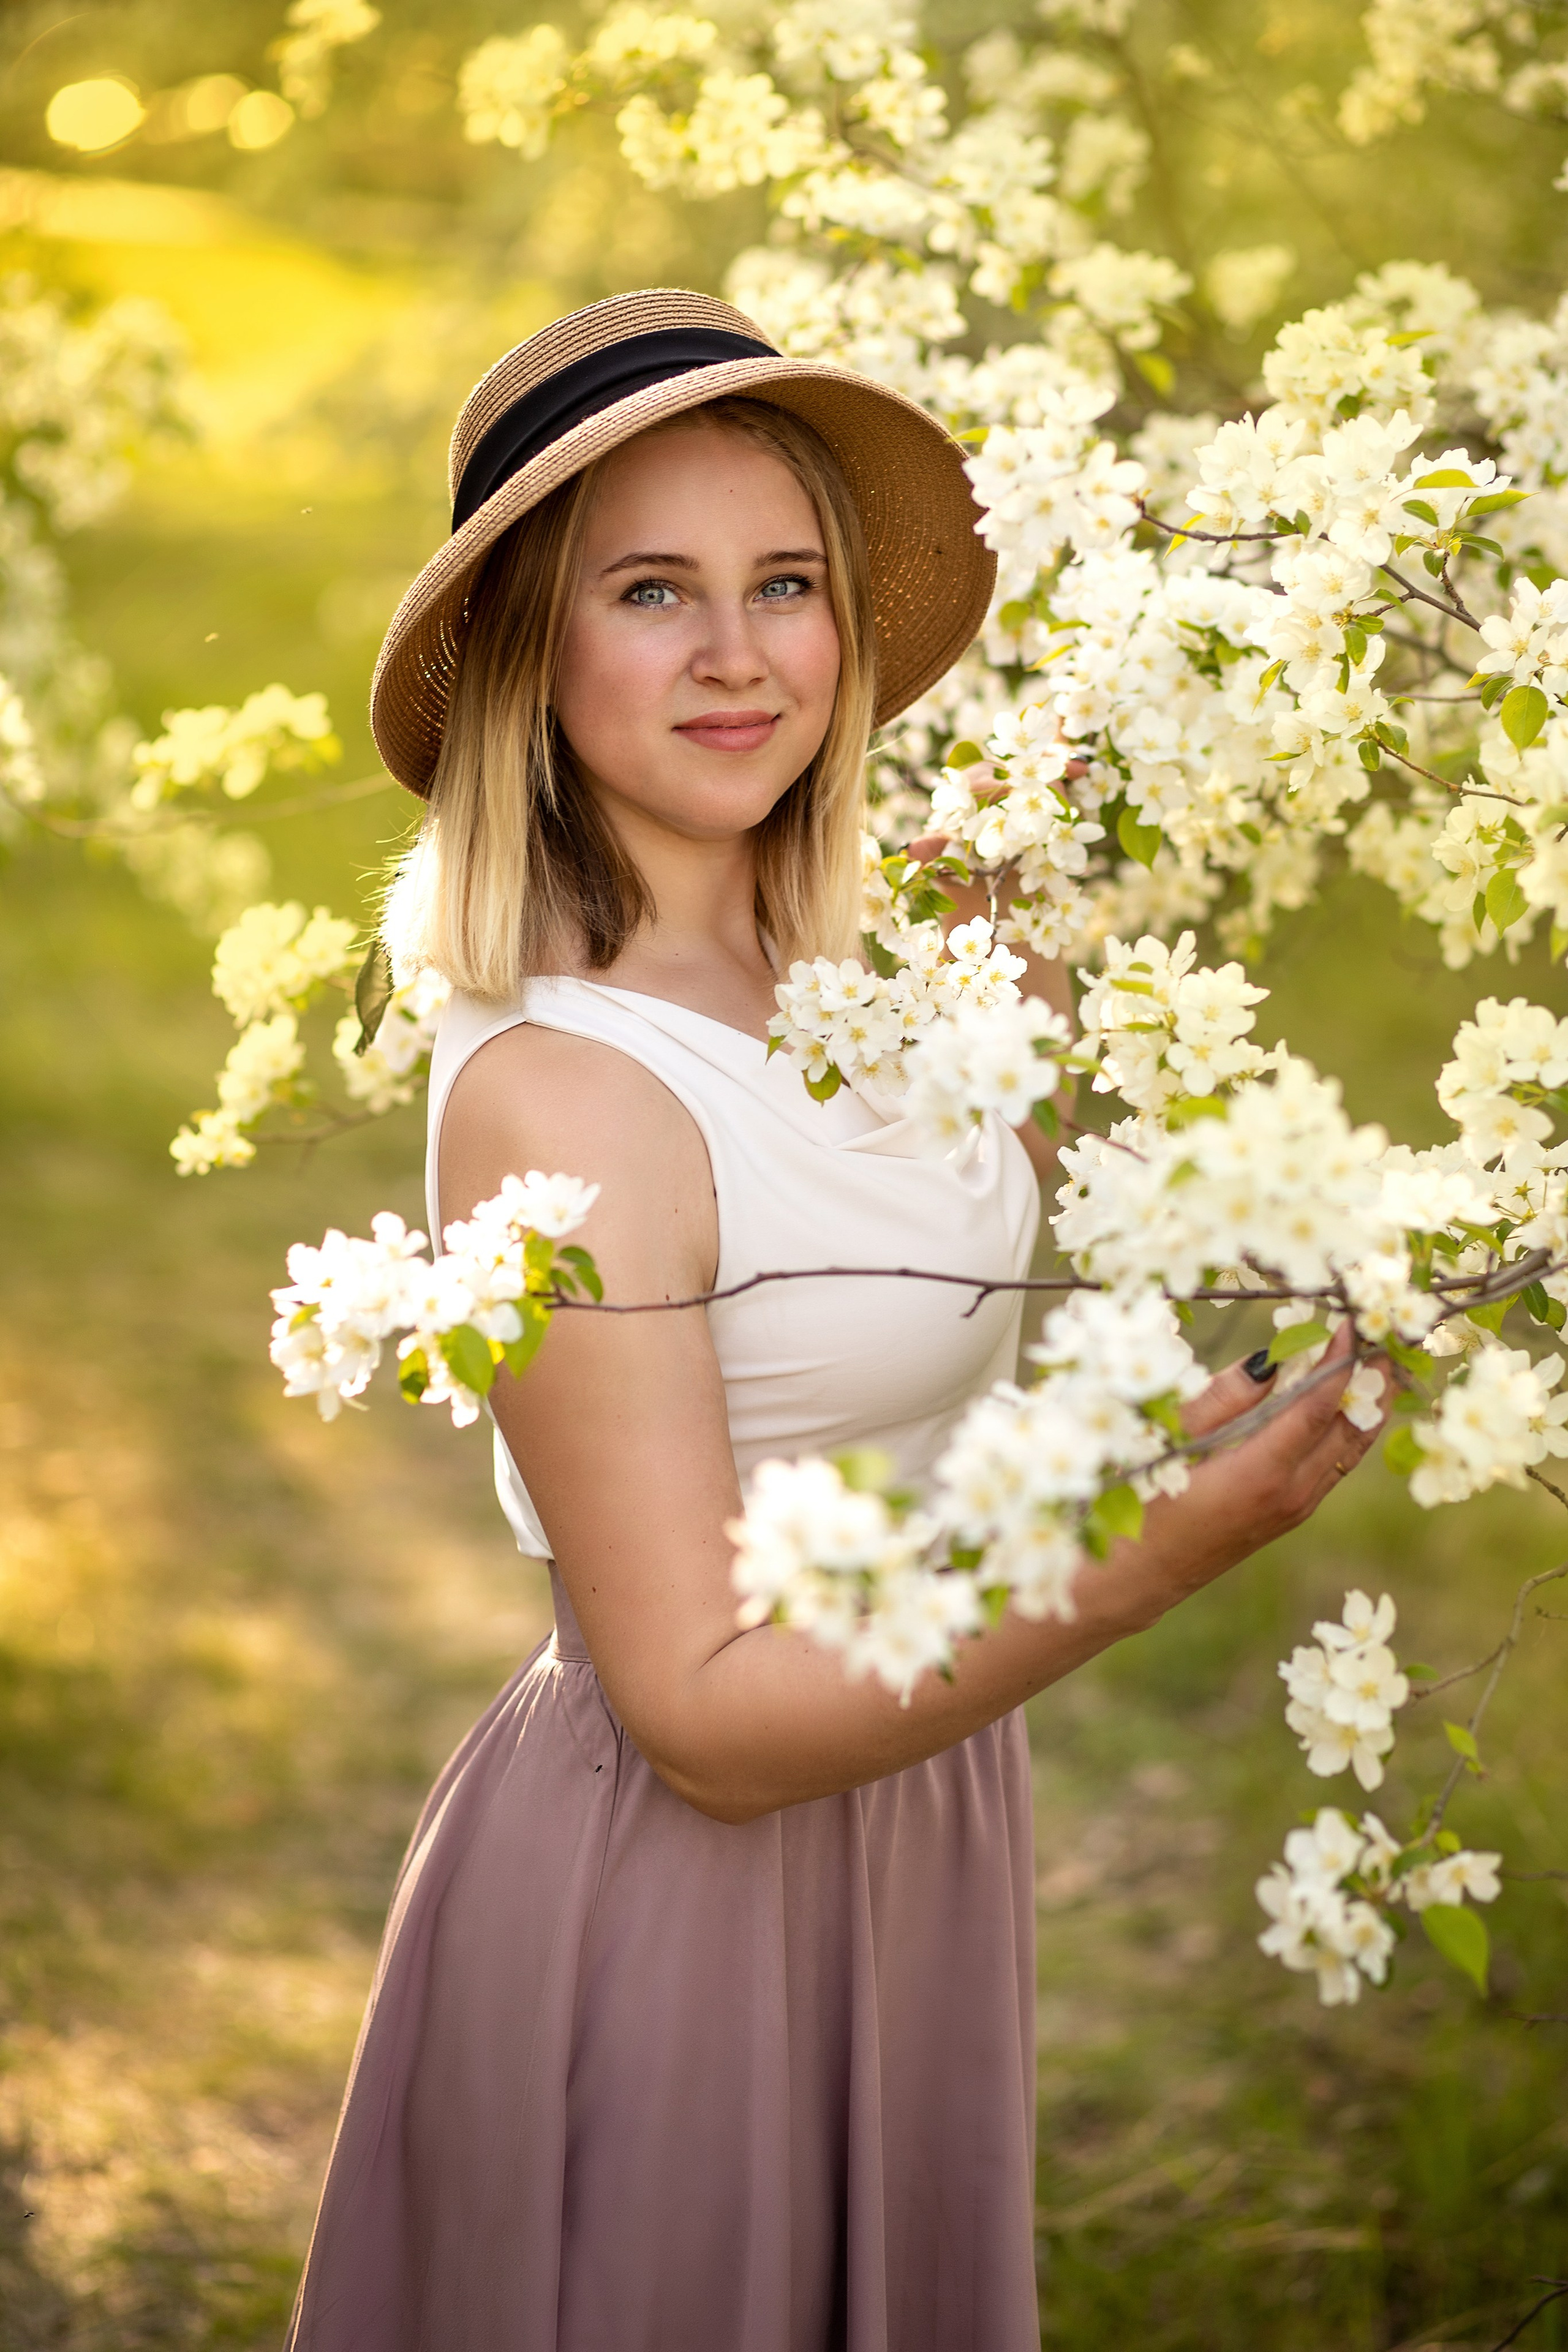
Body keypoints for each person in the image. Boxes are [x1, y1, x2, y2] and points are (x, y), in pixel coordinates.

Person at [285, 290, 1386, 2352]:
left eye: (784, 583)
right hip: (683, 1890)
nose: (738, 653)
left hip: (916, 1804)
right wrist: (1147, 1556)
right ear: (528, 651)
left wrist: (1109, 1451)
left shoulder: (874, 985)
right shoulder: (568, 1095)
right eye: (652, 592)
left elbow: (919, 1356)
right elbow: (706, 1719)